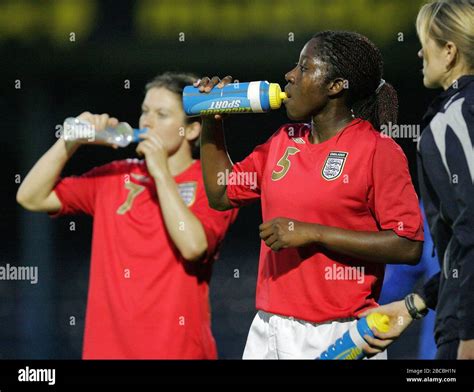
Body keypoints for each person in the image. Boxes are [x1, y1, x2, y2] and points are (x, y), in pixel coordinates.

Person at [197, 31, 424, 359]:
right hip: (269, 329)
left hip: (341, 333)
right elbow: (220, 192)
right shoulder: (283, 140)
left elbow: (409, 245)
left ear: (335, 86)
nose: (290, 76)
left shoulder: (377, 150)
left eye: (304, 68)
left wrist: (313, 233)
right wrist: (211, 120)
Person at [16, 72, 238, 359]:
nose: (147, 122)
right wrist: (69, 142)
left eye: (162, 114)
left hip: (178, 352)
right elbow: (30, 196)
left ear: (192, 130)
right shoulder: (116, 176)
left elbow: (193, 246)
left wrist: (159, 172)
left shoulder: (213, 184)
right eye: (145, 111)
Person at [361, 0, 474, 360]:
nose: (419, 52)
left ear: (449, 50)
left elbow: (471, 230)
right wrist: (414, 305)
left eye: (425, 40)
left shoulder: (451, 119)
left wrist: (468, 334)